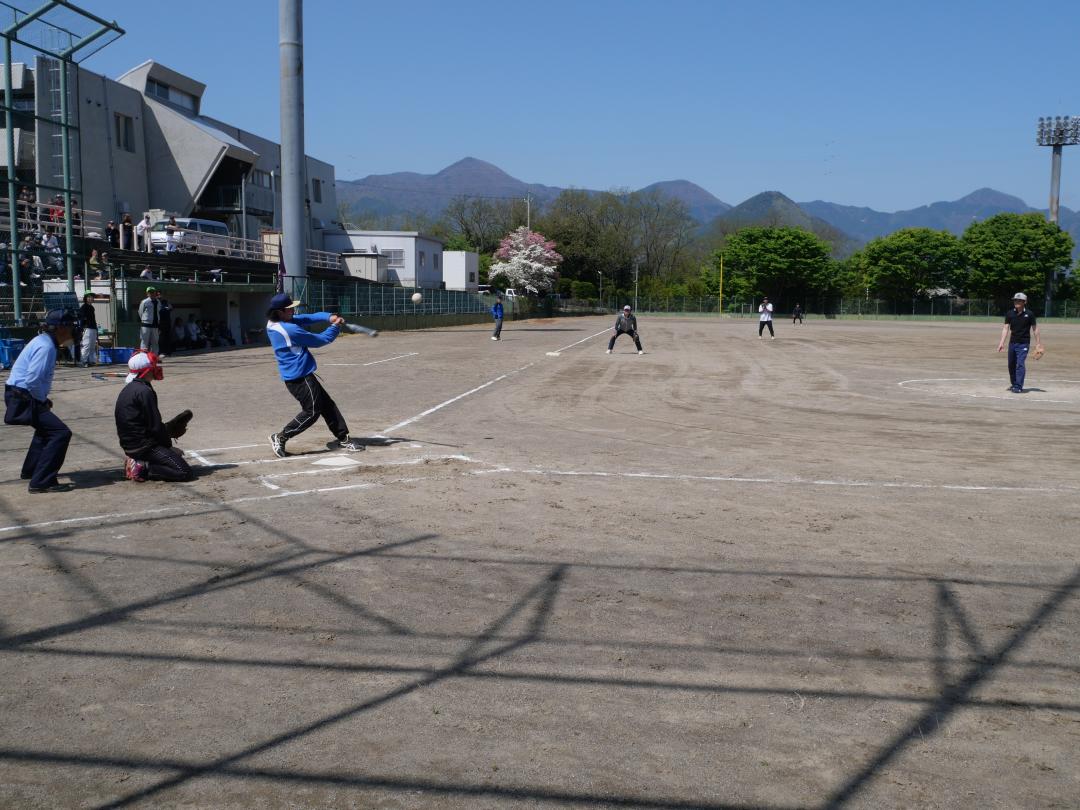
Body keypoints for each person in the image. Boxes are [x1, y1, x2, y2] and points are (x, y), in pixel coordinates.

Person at [266, 292, 363, 457]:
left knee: (328, 406)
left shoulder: (276, 322)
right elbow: (320, 340)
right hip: (299, 378)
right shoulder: (288, 329)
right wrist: (335, 327)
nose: (293, 311)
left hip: (301, 374)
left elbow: (307, 317)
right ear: (280, 311)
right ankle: (281, 436)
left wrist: (329, 317)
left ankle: (343, 438)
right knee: (312, 411)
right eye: (289, 309)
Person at [3, 309, 76, 493]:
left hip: (21, 393)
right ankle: (41, 481)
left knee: (46, 430)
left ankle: (31, 470)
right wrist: (41, 400)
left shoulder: (44, 341)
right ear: (59, 328)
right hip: (23, 396)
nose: (72, 331)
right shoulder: (46, 347)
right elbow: (33, 379)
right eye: (69, 326)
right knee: (61, 433)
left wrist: (43, 399)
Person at [114, 352, 194, 482]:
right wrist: (169, 447)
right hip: (143, 447)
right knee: (184, 472)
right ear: (146, 371)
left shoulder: (130, 387)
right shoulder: (145, 391)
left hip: (130, 444)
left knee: (164, 433)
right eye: (153, 366)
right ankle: (142, 468)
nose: (156, 368)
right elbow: (155, 427)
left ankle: (140, 461)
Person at [997, 292, 1044, 394]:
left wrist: (1038, 344)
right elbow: (1005, 328)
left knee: (1020, 364)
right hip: (1012, 343)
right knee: (1011, 365)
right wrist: (1001, 343)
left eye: (1019, 300)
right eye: (1015, 300)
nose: (1016, 302)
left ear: (1024, 302)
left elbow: (1035, 329)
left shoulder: (1030, 314)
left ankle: (1018, 386)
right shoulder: (1010, 313)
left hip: (1024, 344)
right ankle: (1014, 384)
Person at [138, 287, 162, 354]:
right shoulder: (144, 302)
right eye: (150, 292)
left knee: (155, 342)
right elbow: (140, 312)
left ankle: (154, 357)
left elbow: (158, 311)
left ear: (155, 293)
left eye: (153, 292)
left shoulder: (158, 302)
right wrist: (145, 320)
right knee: (144, 341)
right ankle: (143, 357)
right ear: (147, 293)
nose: (151, 293)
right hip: (146, 325)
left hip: (155, 325)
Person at [78, 292, 99, 367]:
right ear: (85, 298)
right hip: (87, 328)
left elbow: (93, 319)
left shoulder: (92, 307)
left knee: (92, 345)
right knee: (86, 345)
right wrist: (81, 328)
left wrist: (96, 328)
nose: (90, 298)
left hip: (93, 327)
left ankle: (91, 360)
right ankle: (83, 361)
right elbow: (81, 319)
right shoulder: (83, 307)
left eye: (92, 297)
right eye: (89, 297)